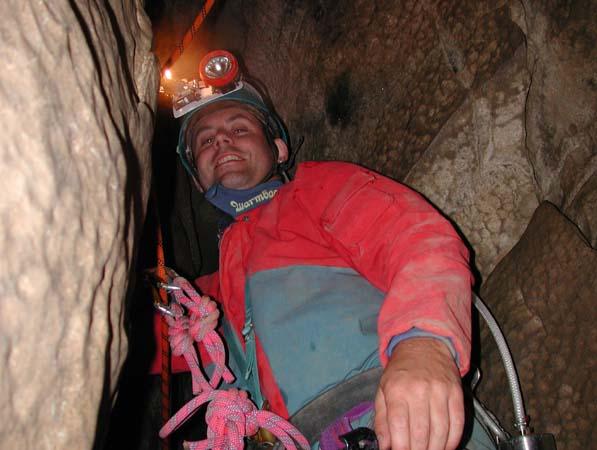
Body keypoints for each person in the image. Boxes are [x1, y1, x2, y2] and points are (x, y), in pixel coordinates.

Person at [159, 51, 495, 450]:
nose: (222, 141)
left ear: (279, 149)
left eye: (239, 128)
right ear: (197, 180)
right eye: (206, 141)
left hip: (392, 422)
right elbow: (122, 338)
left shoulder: (317, 191)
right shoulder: (204, 300)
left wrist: (424, 345)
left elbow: (416, 239)